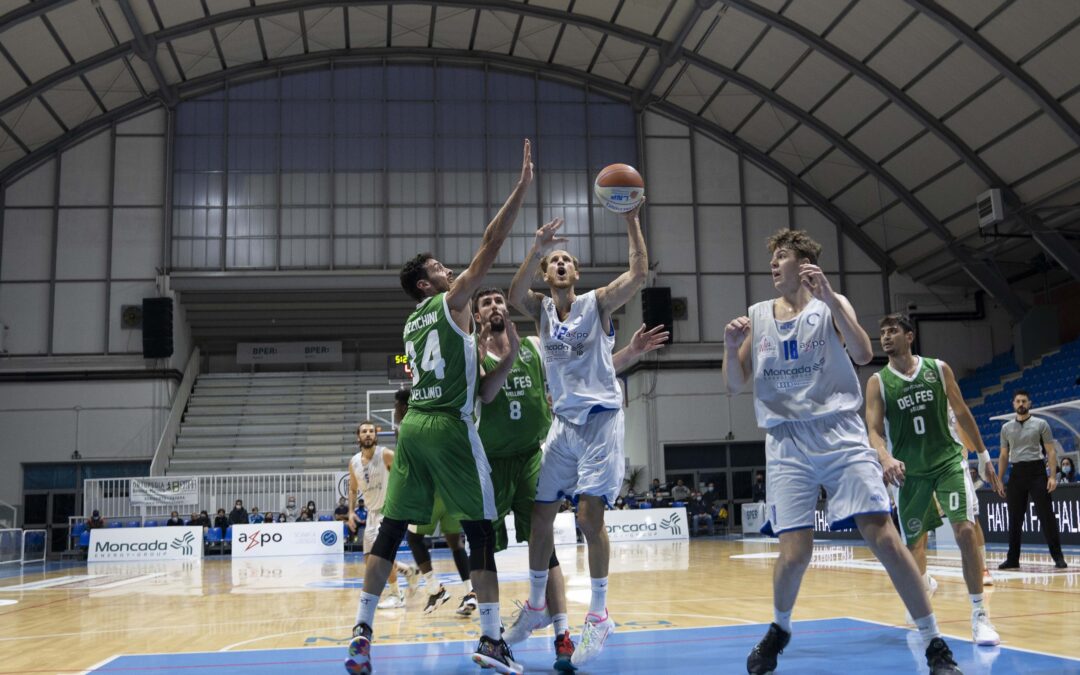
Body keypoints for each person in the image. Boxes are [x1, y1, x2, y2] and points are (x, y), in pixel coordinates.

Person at [722, 228, 961, 674]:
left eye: (783, 257)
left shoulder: (831, 305)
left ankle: (934, 643)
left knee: (885, 539)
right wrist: (729, 347)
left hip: (839, 432)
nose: (774, 264)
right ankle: (779, 629)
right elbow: (735, 385)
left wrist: (832, 301)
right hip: (786, 439)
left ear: (805, 264)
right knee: (794, 555)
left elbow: (864, 351)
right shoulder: (757, 316)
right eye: (772, 258)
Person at [346, 139, 534, 675]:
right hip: (450, 427)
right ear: (428, 284)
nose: (452, 270)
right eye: (440, 267)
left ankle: (361, 633)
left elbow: (477, 384)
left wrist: (503, 360)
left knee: (391, 529)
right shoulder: (449, 303)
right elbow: (491, 244)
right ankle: (493, 639)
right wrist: (520, 188)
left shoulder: (412, 325)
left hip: (413, 429)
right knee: (478, 529)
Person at [506, 194, 649, 668]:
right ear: (547, 277)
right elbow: (512, 295)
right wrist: (537, 246)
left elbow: (638, 275)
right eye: (555, 263)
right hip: (563, 427)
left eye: (567, 260)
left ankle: (600, 611)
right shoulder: (542, 311)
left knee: (589, 519)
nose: (562, 264)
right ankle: (536, 603)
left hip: (601, 423)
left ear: (576, 273)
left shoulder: (595, 303)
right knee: (539, 515)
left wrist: (631, 223)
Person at [865, 313, 1004, 646]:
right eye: (882, 333)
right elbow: (872, 430)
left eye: (892, 331)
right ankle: (922, 584)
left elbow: (961, 412)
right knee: (915, 544)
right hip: (909, 472)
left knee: (966, 531)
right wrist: (885, 457)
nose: (885, 337)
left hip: (947, 462)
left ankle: (979, 616)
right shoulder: (878, 382)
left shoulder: (938, 369)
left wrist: (984, 457)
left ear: (909, 336)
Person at [347, 420, 419, 610]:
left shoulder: (385, 454)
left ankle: (397, 594)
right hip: (371, 514)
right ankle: (406, 570)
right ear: (358, 436)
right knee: (369, 561)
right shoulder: (353, 462)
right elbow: (353, 490)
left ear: (375, 436)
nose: (368, 434)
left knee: (382, 557)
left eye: (371, 431)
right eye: (364, 431)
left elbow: (405, 473)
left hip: (388, 513)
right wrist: (351, 511)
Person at [997, 390, 1067, 569]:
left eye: (1024, 401)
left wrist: (1052, 476)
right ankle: (1012, 558)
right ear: (1013, 404)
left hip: (1037, 472)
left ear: (1029, 404)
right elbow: (1004, 456)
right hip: (1017, 473)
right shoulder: (1006, 428)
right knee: (1014, 518)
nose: (1021, 404)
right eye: (1018, 401)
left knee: (1047, 516)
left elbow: (1051, 451)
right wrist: (999, 478)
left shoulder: (1041, 424)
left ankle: (1058, 557)